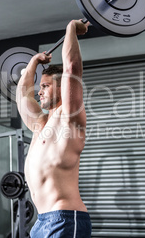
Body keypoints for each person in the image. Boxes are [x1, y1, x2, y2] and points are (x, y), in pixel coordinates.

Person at [16, 19, 91, 238]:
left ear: (62, 86)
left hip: (66, 219)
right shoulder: (40, 125)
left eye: (45, 86)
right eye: (40, 87)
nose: (39, 92)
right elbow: (22, 95)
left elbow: (72, 68)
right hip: (41, 221)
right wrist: (33, 64)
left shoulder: (70, 118)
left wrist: (71, 30)